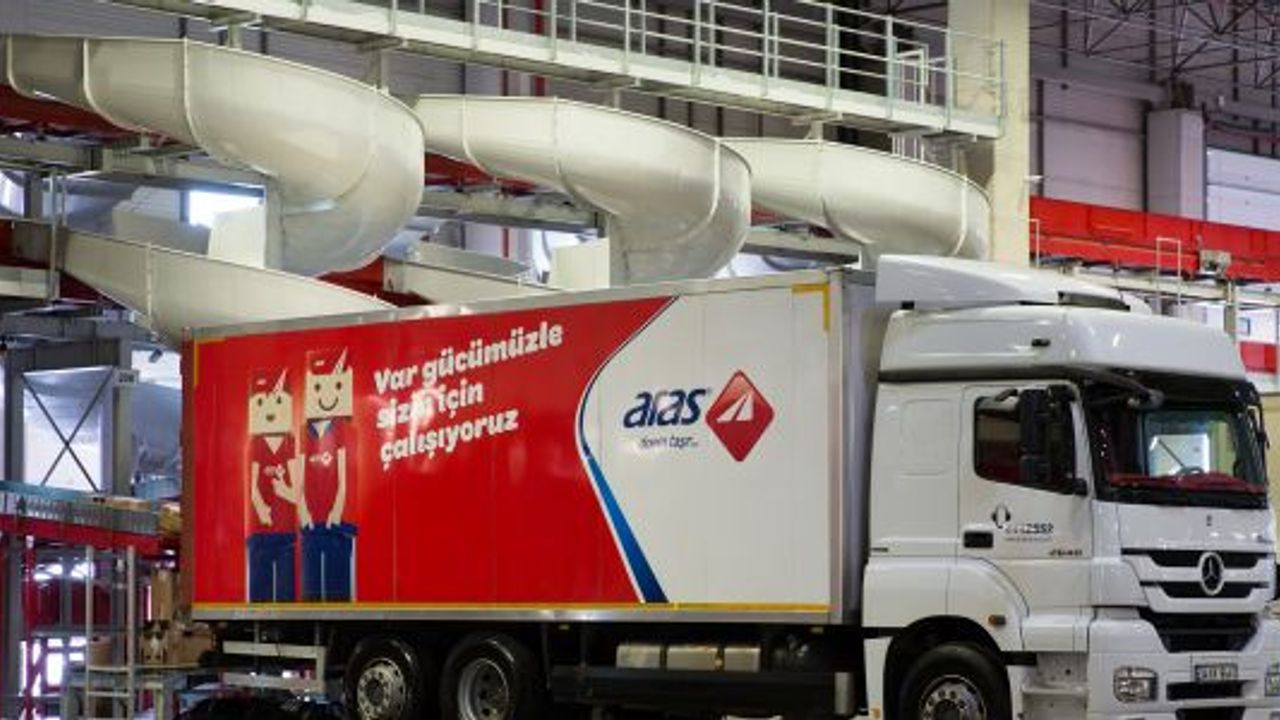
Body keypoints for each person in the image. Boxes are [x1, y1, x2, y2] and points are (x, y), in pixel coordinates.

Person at [298, 348, 357, 602]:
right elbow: (299, 473)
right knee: (310, 585)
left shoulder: (343, 428)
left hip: (337, 522)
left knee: (337, 583)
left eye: (337, 387)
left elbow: (344, 473)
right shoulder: (304, 433)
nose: (327, 396)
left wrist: (337, 508)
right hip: (311, 521)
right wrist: (302, 509)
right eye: (319, 387)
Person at [245, 368, 300, 603]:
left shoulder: (290, 443)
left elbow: (297, 491)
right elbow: (253, 487)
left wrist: (285, 491)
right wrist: (261, 508)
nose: (270, 410)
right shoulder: (256, 444)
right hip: (259, 533)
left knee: (286, 592)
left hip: (287, 533)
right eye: (261, 402)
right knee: (260, 591)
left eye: (277, 402)